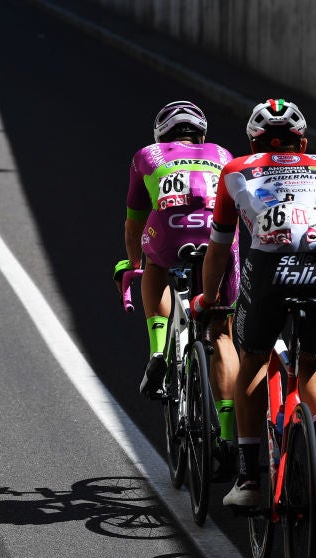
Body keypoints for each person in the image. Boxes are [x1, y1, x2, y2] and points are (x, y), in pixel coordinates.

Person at [192, 99, 316, 515]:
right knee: (314, 362)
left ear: (253, 141)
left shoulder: (236, 169)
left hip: (270, 273)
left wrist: (209, 300)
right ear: (304, 141)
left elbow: (219, 251)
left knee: (254, 360)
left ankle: (247, 480)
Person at [114, 101, 241, 447]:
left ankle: (158, 351)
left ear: (161, 135)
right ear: (201, 134)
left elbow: (133, 221)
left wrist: (133, 261)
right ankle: (229, 436)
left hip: (170, 234)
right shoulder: (221, 152)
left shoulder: (147, 155)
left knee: (153, 264)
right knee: (222, 334)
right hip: (217, 238)